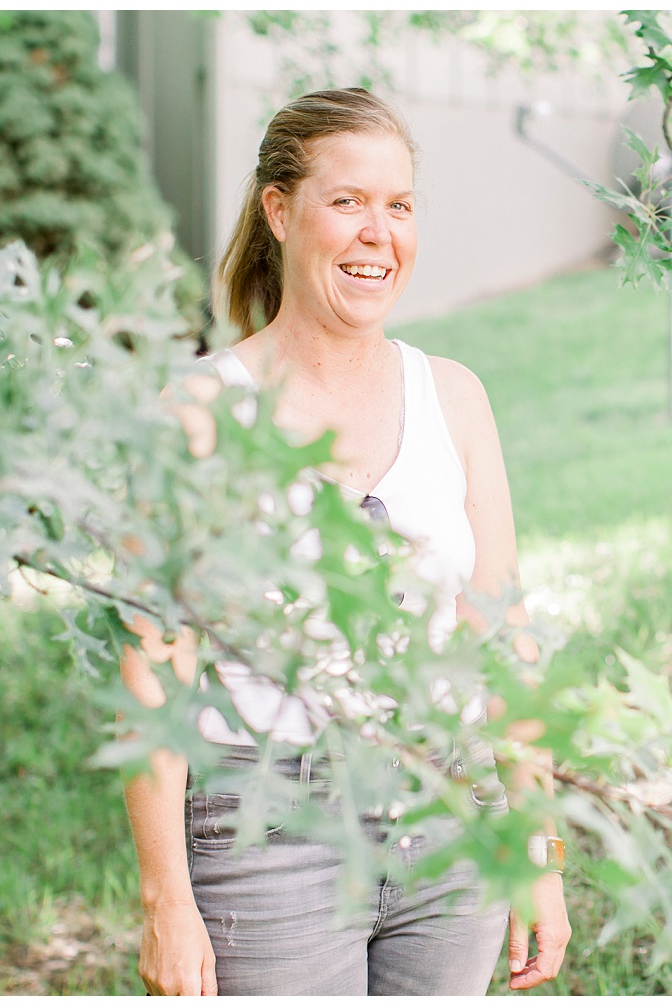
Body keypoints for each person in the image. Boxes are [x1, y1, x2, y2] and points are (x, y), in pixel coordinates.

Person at [118, 87, 571, 996]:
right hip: (266, 833)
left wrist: (540, 847)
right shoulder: (199, 415)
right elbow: (153, 672)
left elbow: (503, 634)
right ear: (278, 212)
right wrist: (166, 899)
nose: (379, 233)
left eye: (398, 205)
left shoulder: (455, 397)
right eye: (348, 201)